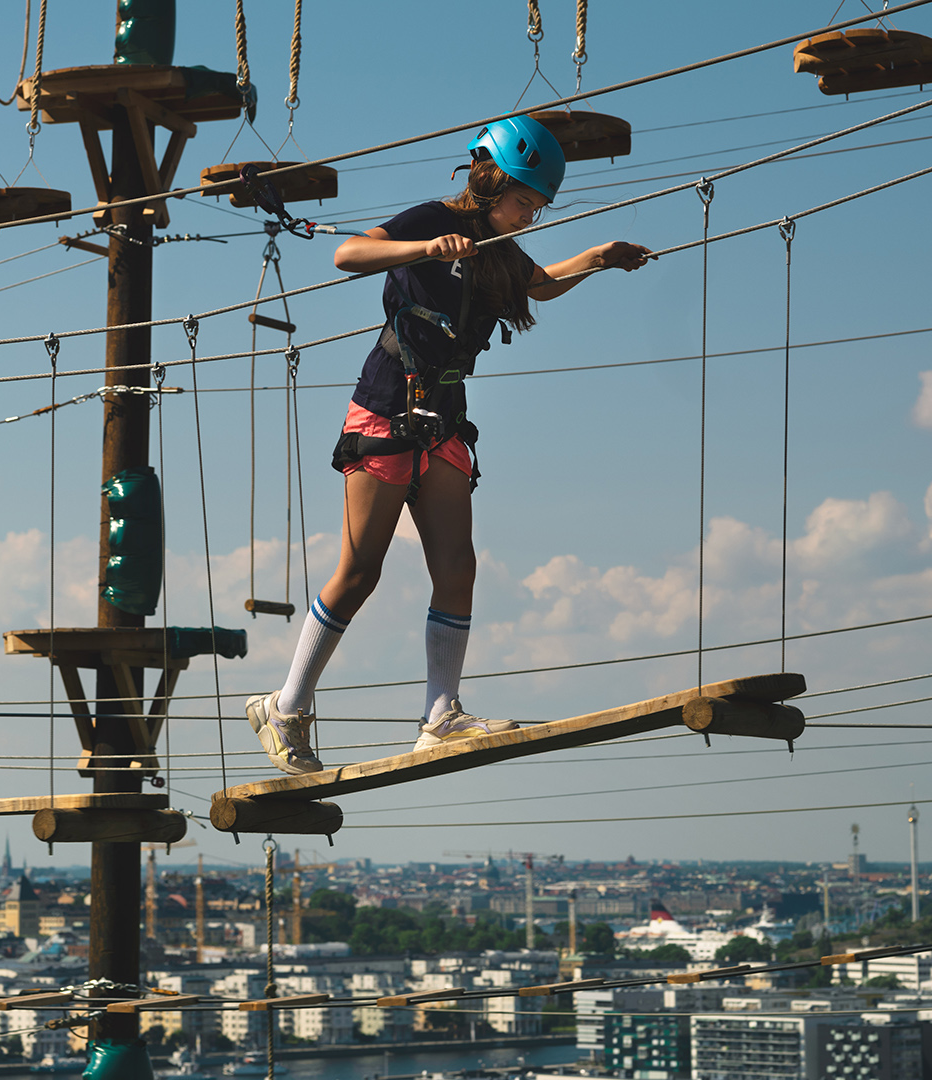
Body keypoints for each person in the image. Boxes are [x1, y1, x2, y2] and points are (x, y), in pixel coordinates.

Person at [245, 115, 652, 775]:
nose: (530, 216)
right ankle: (285, 707)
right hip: (385, 406)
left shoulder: (498, 249)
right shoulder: (435, 217)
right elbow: (349, 254)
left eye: (538, 207)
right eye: (525, 201)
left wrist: (600, 259)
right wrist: (424, 250)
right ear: (491, 181)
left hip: (445, 418)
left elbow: (539, 283)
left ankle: (441, 715)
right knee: (360, 572)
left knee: (457, 568)